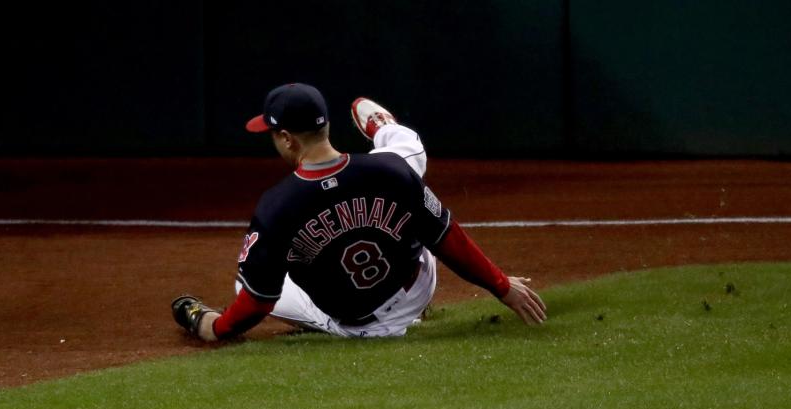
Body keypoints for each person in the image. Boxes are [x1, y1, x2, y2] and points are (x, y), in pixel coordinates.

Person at [172, 83, 546, 341]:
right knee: (410, 155)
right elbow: (447, 237)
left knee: (248, 282)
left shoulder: (276, 207)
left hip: (361, 327)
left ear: (287, 139)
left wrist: (216, 327)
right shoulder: (388, 170)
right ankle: (386, 129)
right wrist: (501, 286)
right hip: (418, 286)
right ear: (327, 126)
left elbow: (258, 302)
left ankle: (328, 321)